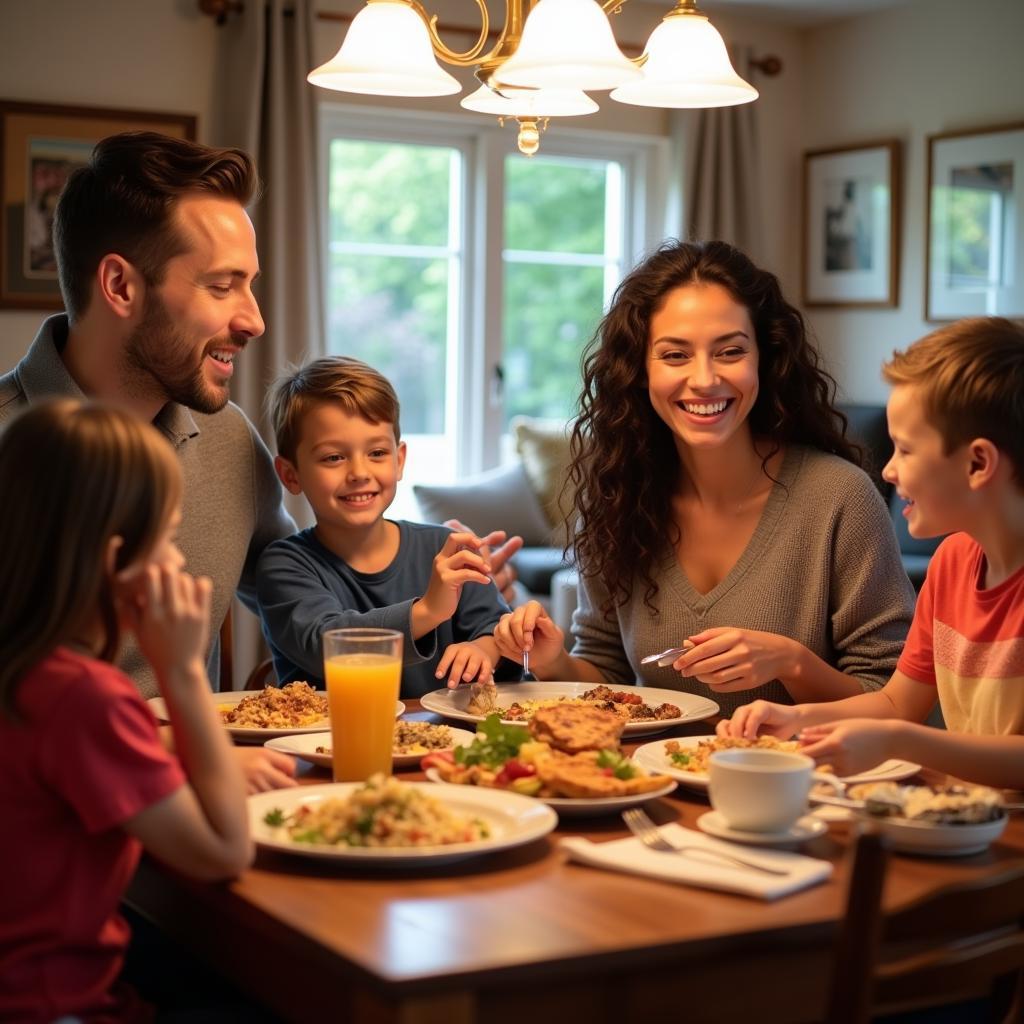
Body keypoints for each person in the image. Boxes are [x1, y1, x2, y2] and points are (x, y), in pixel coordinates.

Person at [0, 130, 520, 790]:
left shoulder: (224, 438)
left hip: (210, 809)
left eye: (250, 284)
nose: (255, 320)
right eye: (223, 286)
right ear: (120, 286)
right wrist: (181, 759)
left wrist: (453, 583)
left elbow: (308, 585)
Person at [494, 239, 915, 714]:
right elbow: (606, 669)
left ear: (765, 358)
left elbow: (891, 698)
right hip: (656, 778)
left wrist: (791, 663)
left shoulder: (839, 497)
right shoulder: (618, 496)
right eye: (675, 356)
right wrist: (554, 663)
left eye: (730, 351)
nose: (704, 379)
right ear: (639, 370)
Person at [0, 400, 252, 1021]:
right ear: (117, 561)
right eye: (168, 537)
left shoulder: (24, 671)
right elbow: (223, 851)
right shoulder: (84, 697)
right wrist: (184, 672)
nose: (178, 560)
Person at [719, 317, 1024, 788]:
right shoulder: (952, 563)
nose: (888, 471)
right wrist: (796, 720)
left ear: (978, 463)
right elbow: (897, 704)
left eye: (904, 449)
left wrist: (899, 742)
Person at [257, 356, 517, 698]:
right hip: (329, 745)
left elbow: (495, 629)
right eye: (334, 457)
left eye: (377, 452)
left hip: (449, 743)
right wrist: (427, 611)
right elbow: (327, 643)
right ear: (291, 475)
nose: (359, 472)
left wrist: (484, 650)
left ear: (399, 460)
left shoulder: (447, 550)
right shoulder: (283, 566)